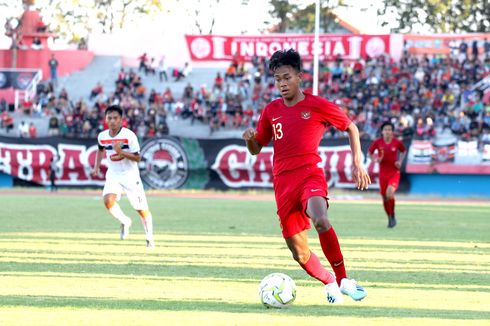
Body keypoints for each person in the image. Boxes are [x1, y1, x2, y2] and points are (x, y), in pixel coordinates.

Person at [242, 49, 371, 304]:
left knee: (320, 219)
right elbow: (257, 148)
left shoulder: (317, 105)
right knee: (299, 253)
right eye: (277, 79)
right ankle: (329, 281)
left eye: (286, 77)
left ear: (299, 77)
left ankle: (344, 279)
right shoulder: (271, 111)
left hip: (310, 175)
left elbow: (351, 127)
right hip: (283, 183)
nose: (282, 83)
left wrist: (358, 162)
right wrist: (250, 141)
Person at [91, 105, 155, 248]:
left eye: (115, 118)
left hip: (130, 176)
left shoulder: (129, 136)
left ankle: (149, 237)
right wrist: (96, 167)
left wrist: (121, 152)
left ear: (121, 120)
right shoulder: (102, 136)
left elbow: (138, 158)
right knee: (108, 201)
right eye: (109, 118)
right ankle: (125, 221)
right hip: (113, 175)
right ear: (106, 119)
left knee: (141, 209)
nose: (112, 121)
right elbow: (100, 150)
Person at [368, 121, 407, 228]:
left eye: (390, 129)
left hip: (394, 172)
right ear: (382, 131)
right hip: (383, 174)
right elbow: (370, 153)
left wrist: (400, 161)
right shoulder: (378, 142)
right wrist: (375, 160)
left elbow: (403, 151)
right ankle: (389, 217)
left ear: (392, 131)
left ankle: (393, 214)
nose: (388, 132)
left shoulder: (397, 143)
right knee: (384, 198)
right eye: (385, 129)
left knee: (390, 193)